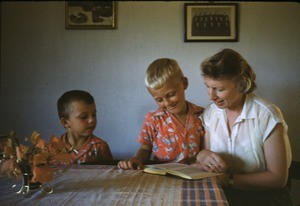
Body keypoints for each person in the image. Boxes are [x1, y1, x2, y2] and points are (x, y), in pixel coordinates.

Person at [194, 48, 293, 206]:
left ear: (241, 85)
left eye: (220, 89)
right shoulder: (210, 113)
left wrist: (228, 180)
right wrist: (203, 155)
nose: (211, 96)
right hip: (223, 193)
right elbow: (208, 159)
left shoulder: (267, 115)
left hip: (264, 198)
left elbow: (278, 178)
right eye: (208, 86)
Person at [118, 58, 204, 170]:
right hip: (162, 175)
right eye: (159, 100)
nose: (167, 103)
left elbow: (206, 147)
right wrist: (137, 159)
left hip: (195, 173)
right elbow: (145, 147)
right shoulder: (153, 119)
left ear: (184, 84)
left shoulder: (201, 115)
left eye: (171, 94)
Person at [56, 90, 113, 164]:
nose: (91, 120)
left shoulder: (100, 147)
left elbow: (109, 173)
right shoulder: (53, 148)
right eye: (83, 117)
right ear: (65, 122)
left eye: (94, 115)